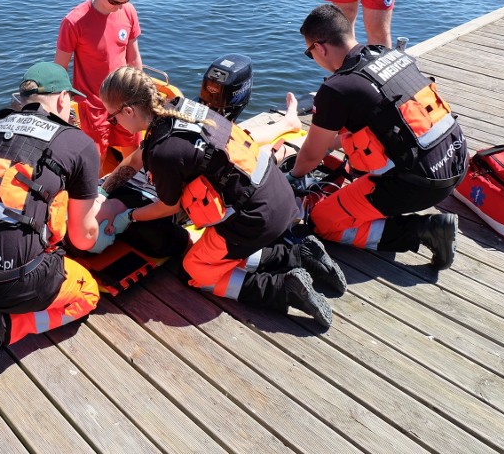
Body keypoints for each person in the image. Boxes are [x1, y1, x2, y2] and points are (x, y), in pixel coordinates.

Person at [98, 66, 349, 329]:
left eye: (112, 118)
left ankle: (282, 288)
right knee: (213, 251)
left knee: (194, 270)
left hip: (254, 219)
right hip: (278, 196)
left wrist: (129, 216)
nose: (112, 123)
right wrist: (106, 188)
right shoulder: (181, 108)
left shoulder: (164, 152)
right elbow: (138, 157)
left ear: (129, 111)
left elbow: (168, 207)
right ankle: (300, 253)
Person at [0, 62, 107, 380]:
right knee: (88, 294)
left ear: (23, 100)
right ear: (62, 99)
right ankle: (5, 326)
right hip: (16, 281)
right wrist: (98, 217)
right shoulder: (79, 144)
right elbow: (83, 239)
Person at [289, 4, 467, 269]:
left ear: (320, 48)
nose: (313, 57)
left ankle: (424, 229)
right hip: (457, 160)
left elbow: (310, 157)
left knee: (321, 222)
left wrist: (292, 177)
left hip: (418, 183)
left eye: (309, 52)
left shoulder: (337, 88)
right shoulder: (389, 54)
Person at [55, 0, 143, 171]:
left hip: (125, 100)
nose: (119, 7)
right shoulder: (74, 22)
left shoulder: (128, 11)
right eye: (114, 1)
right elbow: (59, 70)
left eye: (125, 1)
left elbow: (134, 58)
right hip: (92, 105)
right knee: (96, 161)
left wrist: (141, 97)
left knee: (135, 154)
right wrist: (62, 108)